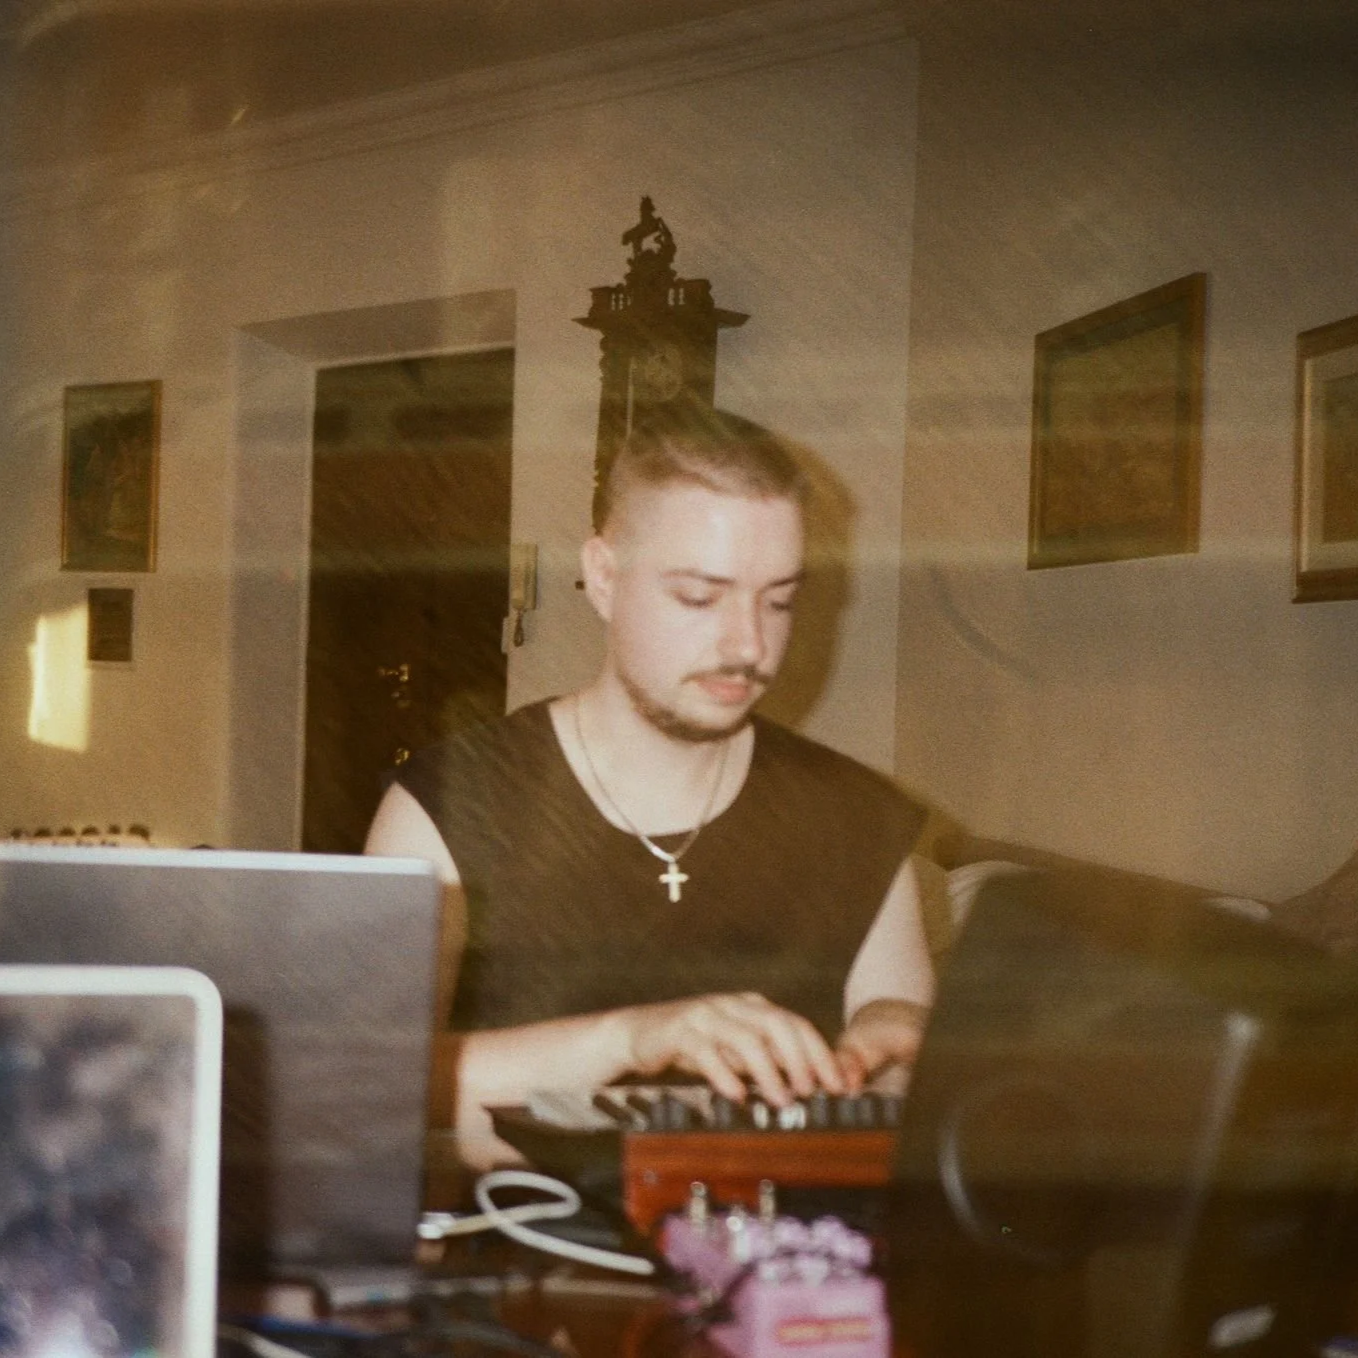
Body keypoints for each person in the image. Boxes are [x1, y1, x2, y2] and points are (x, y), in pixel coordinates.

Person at [365, 407, 934, 1166]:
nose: (749, 645)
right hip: (513, 1236)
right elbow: (358, 1094)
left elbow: (902, 1071)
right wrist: (630, 1039)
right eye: (699, 596)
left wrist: (897, 1045)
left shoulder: (859, 818)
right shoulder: (449, 806)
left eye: (779, 600)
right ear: (604, 577)